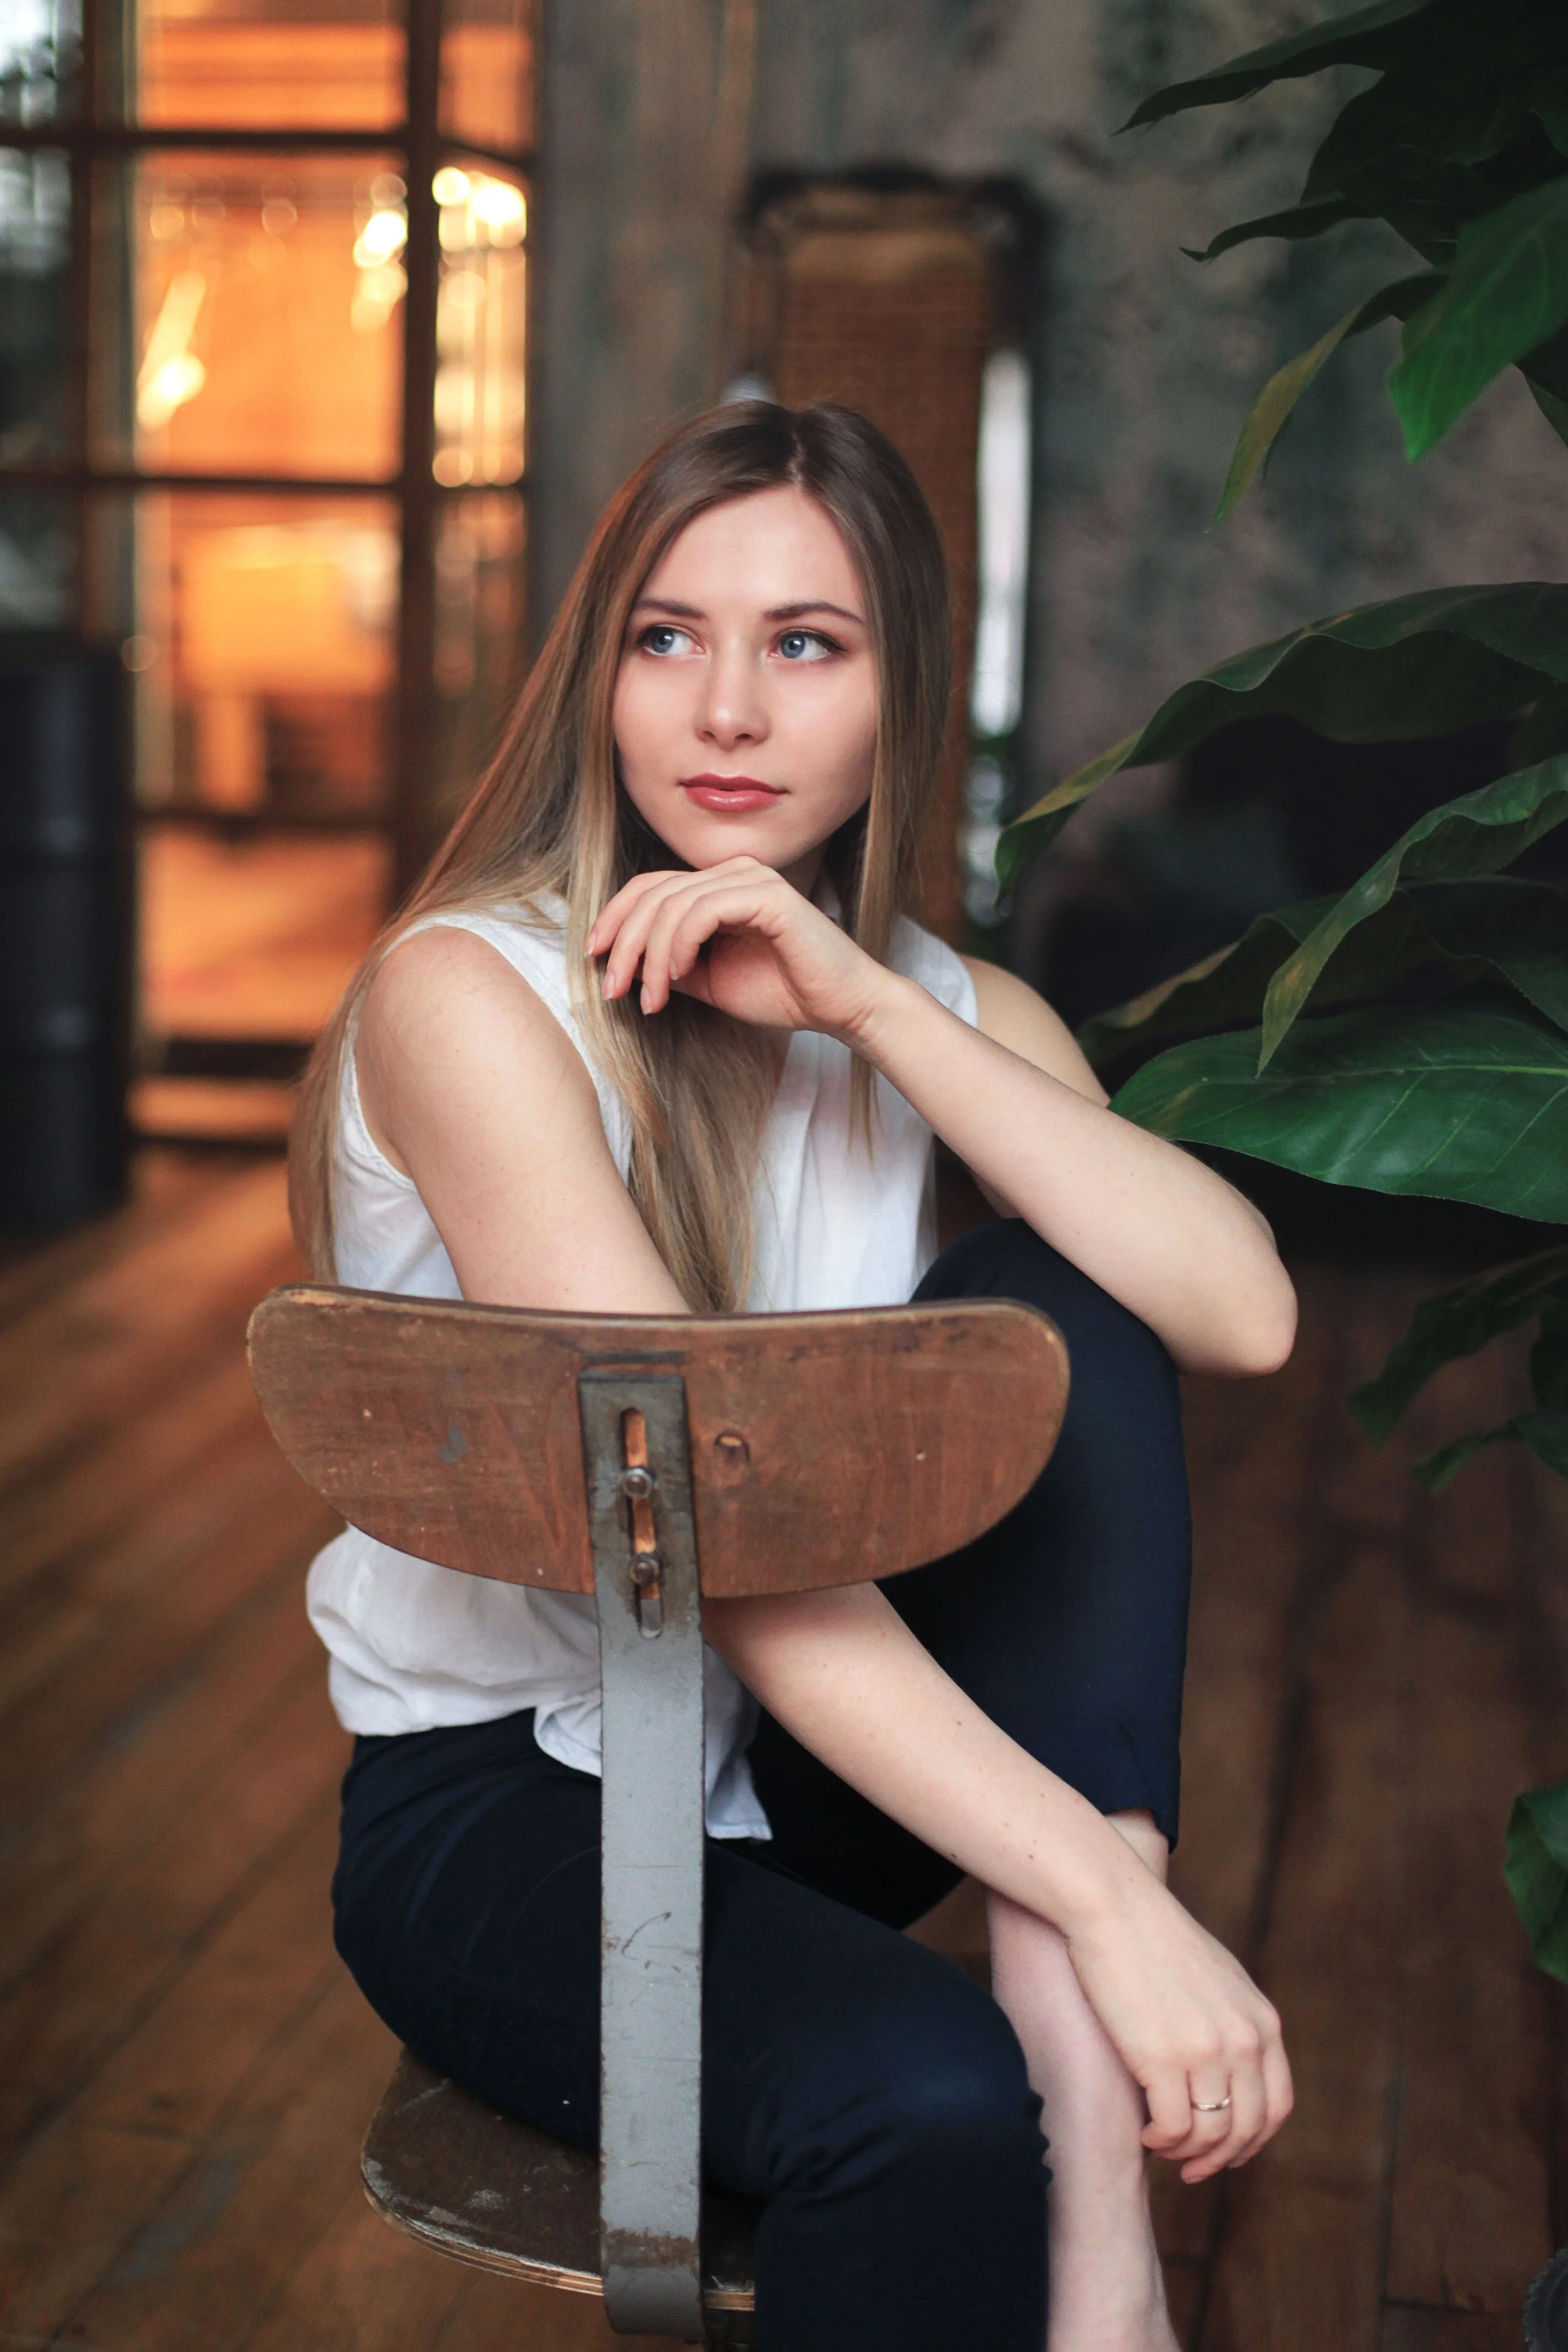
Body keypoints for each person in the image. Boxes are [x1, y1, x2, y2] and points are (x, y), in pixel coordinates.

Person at [292, 400, 1298, 2352]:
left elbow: (1235, 1312)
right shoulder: (465, 995)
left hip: (802, 1762)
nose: (725, 710)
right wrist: (1113, 1903)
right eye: (666, 637)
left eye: (804, 643)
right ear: (598, 676)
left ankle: (1105, 2229)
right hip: (515, 1808)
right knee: (918, 2105)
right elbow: (708, 1542)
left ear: (895, 684)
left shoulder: (935, 1005)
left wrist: (866, 1001)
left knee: (1058, 1298)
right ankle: (1063, 2085)